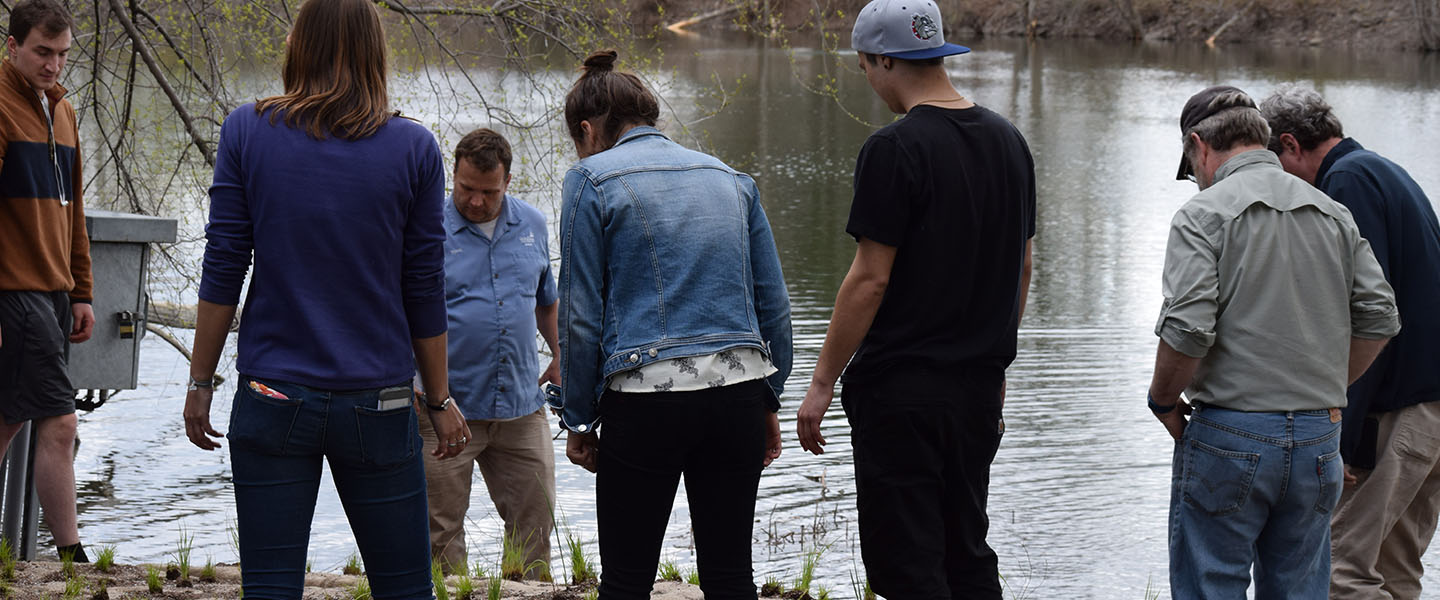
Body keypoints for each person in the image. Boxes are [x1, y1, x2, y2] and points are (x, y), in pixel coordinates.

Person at [181, 0, 470, 596]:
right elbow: (424, 287)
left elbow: (224, 266)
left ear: (297, 46)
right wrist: (438, 398)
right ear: (375, 53)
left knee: (270, 586)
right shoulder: (413, 148)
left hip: (271, 392)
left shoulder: (246, 130)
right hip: (380, 402)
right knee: (405, 588)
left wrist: (200, 382)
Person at [795, 0, 1036, 596]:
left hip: (901, 393)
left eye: (864, 67)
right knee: (967, 549)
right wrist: (996, 360)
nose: (869, 81)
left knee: (907, 561)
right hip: (978, 389)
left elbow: (869, 279)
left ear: (882, 60)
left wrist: (822, 382)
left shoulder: (894, 149)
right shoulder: (1011, 142)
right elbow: (1023, 268)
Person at [551, 49, 792, 600]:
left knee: (627, 581)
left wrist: (580, 420)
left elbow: (581, 316)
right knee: (732, 576)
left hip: (646, 403)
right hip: (737, 397)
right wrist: (769, 398)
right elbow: (773, 304)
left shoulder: (590, 180)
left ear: (587, 130)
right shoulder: (732, 179)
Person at [1150, 85, 1400, 598]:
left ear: (1199, 146)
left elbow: (1188, 328)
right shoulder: (1332, 212)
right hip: (1319, 438)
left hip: (1231, 433)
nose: (1196, 180)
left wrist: (1163, 401)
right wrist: (1326, 383)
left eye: (1191, 167)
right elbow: (1380, 315)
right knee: (1302, 588)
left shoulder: (1203, 215)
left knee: (1211, 583)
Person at [1258, 85, 1440, 600]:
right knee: (1395, 567)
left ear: (1290, 145)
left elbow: (1366, 315)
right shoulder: (1382, 170)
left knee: (1341, 570)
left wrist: (1339, 437)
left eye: (1275, 166)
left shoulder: (1347, 181)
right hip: (1429, 408)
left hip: (1400, 411)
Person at [419, 128, 559, 576]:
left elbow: (545, 300)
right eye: (466, 189)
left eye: (489, 192)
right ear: (453, 178)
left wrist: (561, 355)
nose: (476, 201)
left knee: (535, 526)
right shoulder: (425, 230)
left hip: (520, 407)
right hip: (445, 407)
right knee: (440, 531)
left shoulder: (533, 225)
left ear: (508, 182)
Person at [0, 0, 94, 563]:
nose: (53, 65)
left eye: (62, 54)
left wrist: (81, 290)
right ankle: (71, 556)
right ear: (12, 46)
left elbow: (73, 210)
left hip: (54, 293)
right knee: (59, 421)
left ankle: (63, 556)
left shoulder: (63, 112)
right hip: (15, 291)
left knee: (9, 418)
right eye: (42, 52)